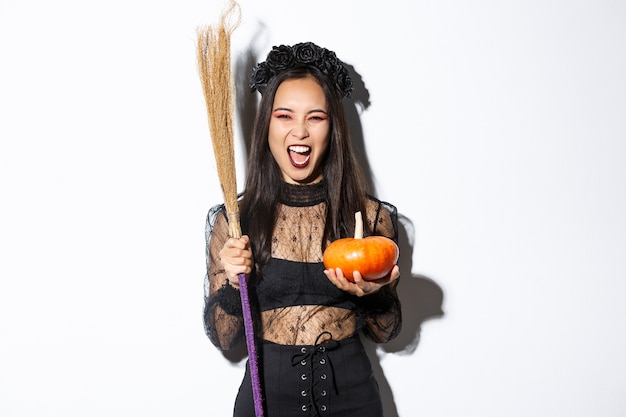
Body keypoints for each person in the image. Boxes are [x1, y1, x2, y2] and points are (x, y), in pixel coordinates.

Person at [203, 41, 402, 417]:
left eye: (315, 117)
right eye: (284, 116)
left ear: (333, 127)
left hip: (353, 400)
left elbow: (387, 332)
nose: (300, 132)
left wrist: (375, 294)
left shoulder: (368, 217)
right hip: (266, 399)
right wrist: (232, 281)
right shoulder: (234, 220)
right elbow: (224, 338)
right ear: (266, 126)